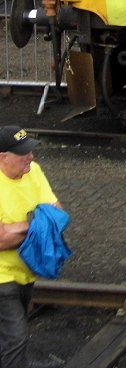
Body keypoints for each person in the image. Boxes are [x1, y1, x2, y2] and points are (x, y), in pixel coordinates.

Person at [0, 126, 62, 368]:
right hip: (2, 278)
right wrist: (37, 225)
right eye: (23, 153)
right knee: (16, 336)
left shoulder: (32, 171)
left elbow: (58, 214)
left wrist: (15, 228)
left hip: (26, 270)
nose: (31, 157)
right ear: (3, 158)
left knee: (9, 334)